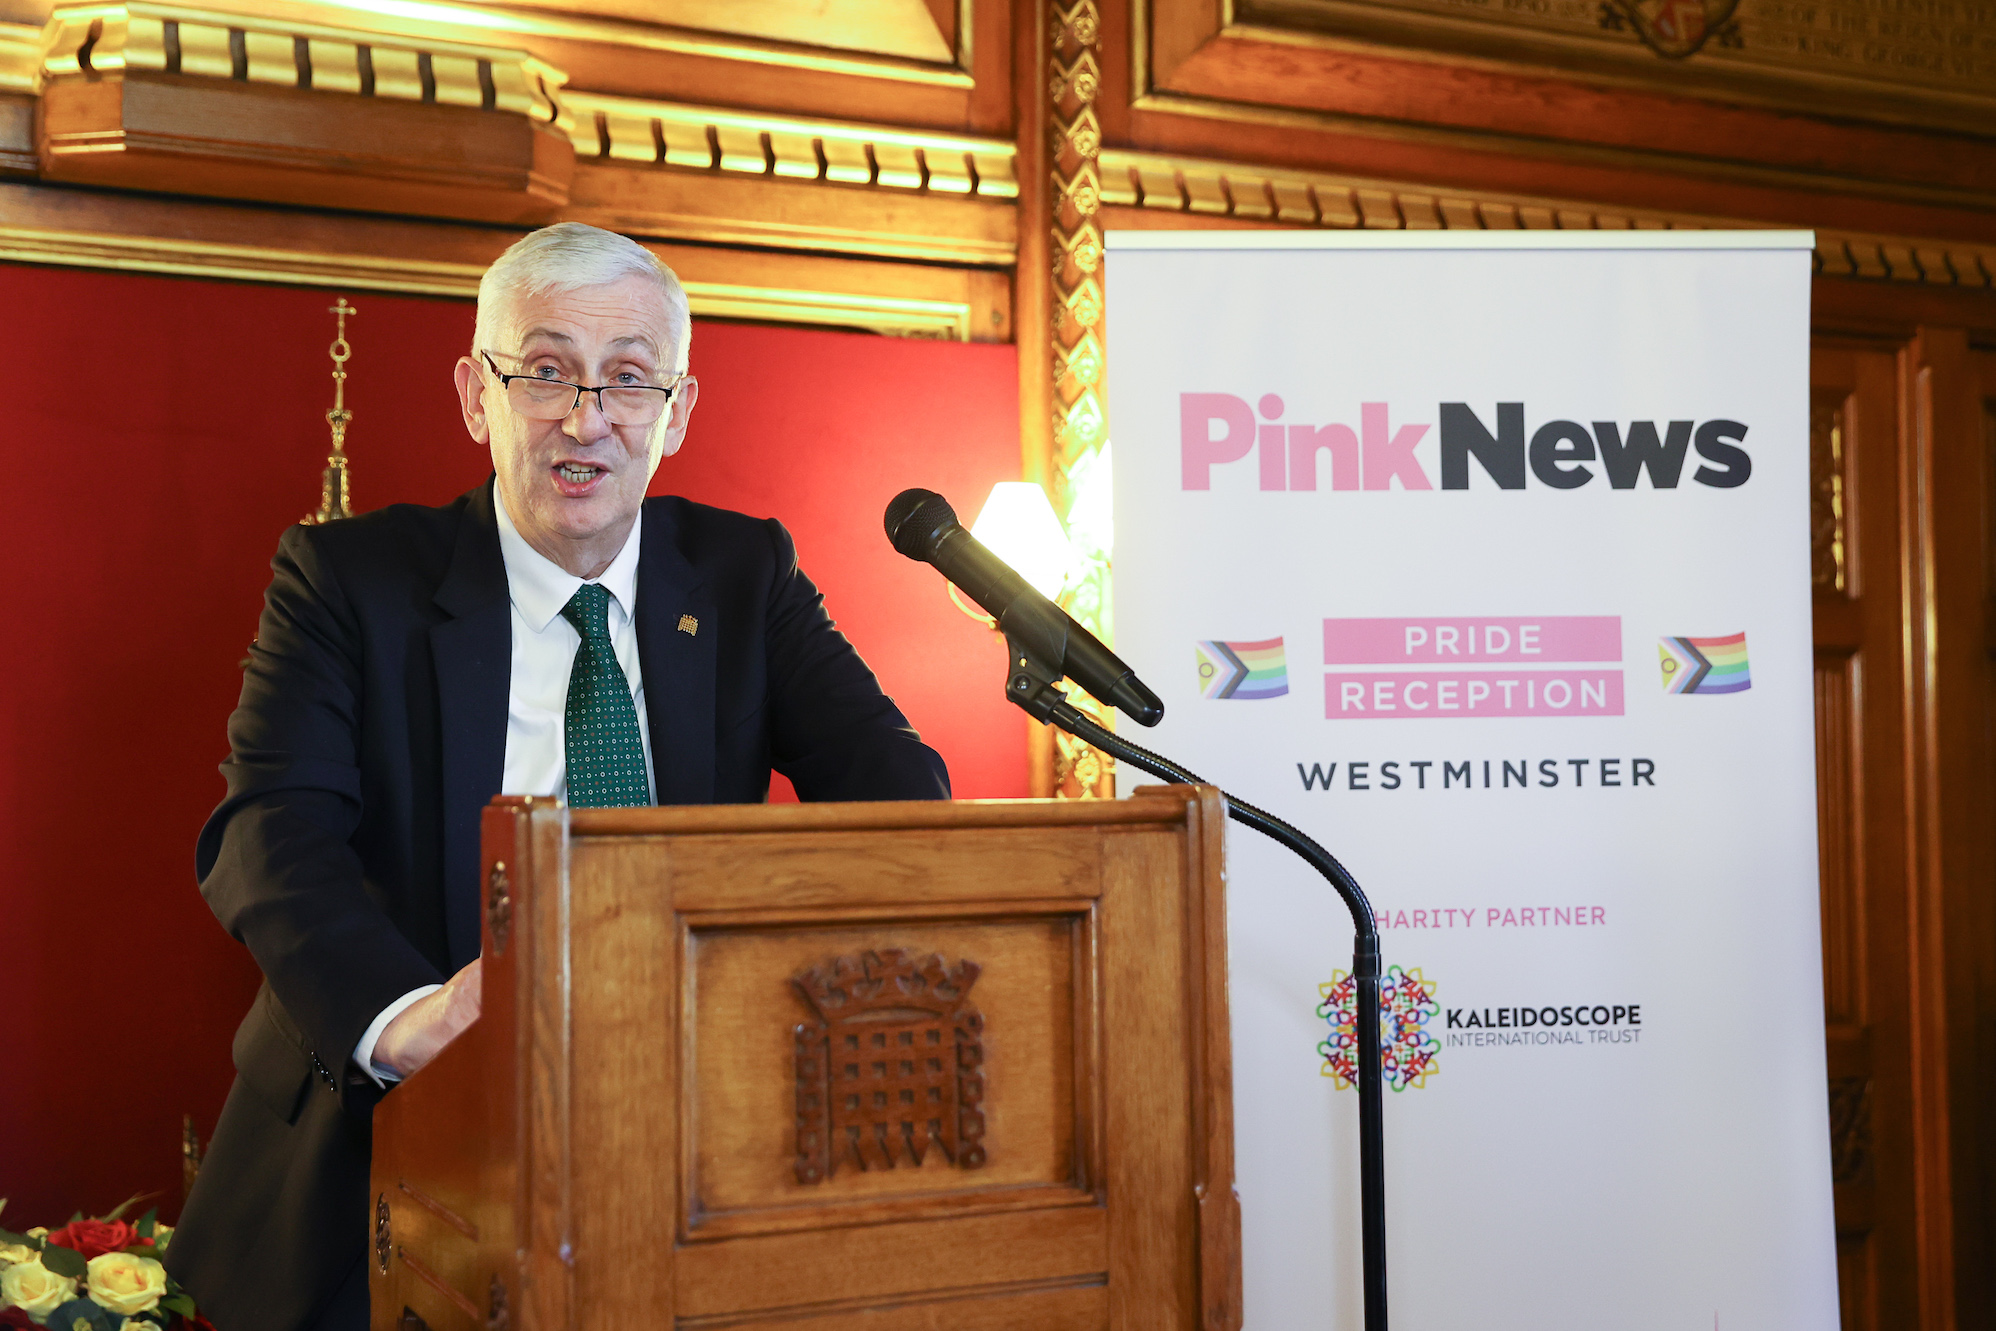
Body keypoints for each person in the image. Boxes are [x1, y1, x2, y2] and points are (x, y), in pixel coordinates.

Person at [166, 222, 950, 1330]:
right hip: (378, 1154)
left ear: (677, 411)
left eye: (628, 378)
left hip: (686, 1150)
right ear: (475, 395)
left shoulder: (745, 576)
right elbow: (267, 833)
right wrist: (415, 1018)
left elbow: (900, 801)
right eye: (544, 371)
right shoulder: (347, 580)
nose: (586, 419)